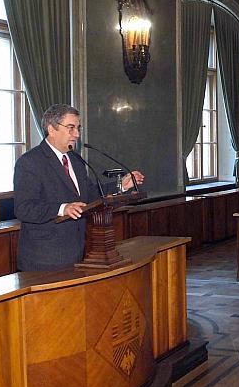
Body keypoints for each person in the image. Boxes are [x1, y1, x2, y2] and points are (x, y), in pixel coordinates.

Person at [14, 104, 144, 271]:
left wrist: (120, 186)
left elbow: (90, 195)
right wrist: (62, 208)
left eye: (78, 128)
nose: (76, 134)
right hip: (44, 259)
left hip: (75, 252)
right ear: (51, 129)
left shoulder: (75, 160)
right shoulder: (30, 162)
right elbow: (24, 208)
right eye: (71, 128)